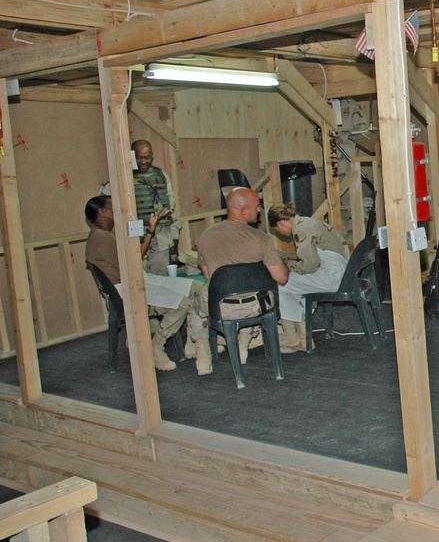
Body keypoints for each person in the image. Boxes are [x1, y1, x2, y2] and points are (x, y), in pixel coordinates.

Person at [84, 195, 207, 372]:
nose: (117, 213)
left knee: (196, 287)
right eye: (113, 209)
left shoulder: (105, 235)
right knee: (182, 303)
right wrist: (150, 230)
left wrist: (150, 228)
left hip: (139, 278)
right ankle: (156, 347)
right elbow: (135, 259)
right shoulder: (101, 238)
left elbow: (134, 258)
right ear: (102, 212)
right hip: (126, 290)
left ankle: (193, 339)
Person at [197, 188, 289, 373]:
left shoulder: (205, 235)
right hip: (256, 307)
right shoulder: (262, 239)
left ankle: (203, 353)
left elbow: (209, 277)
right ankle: (245, 339)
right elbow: (281, 277)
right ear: (243, 211)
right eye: (257, 206)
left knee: (195, 303)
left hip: (221, 308)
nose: (260, 210)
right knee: (258, 292)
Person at [267, 203, 350, 352]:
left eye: (277, 229)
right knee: (298, 286)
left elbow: (310, 265)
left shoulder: (301, 229)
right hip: (342, 271)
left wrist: (290, 268)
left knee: (280, 282)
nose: (279, 232)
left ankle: (292, 337)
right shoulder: (310, 221)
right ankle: (304, 338)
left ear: (280, 223)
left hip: (331, 276)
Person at [100, 140, 180, 276]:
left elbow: (171, 207)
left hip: (159, 236)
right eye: (139, 157)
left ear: (152, 156)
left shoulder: (161, 176)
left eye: (147, 157)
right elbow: (102, 206)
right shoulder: (121, 177)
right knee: (136, 277)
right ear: (131, 155)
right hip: (133, 236)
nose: (143, 161)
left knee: (160, 278)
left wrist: (174, 236)